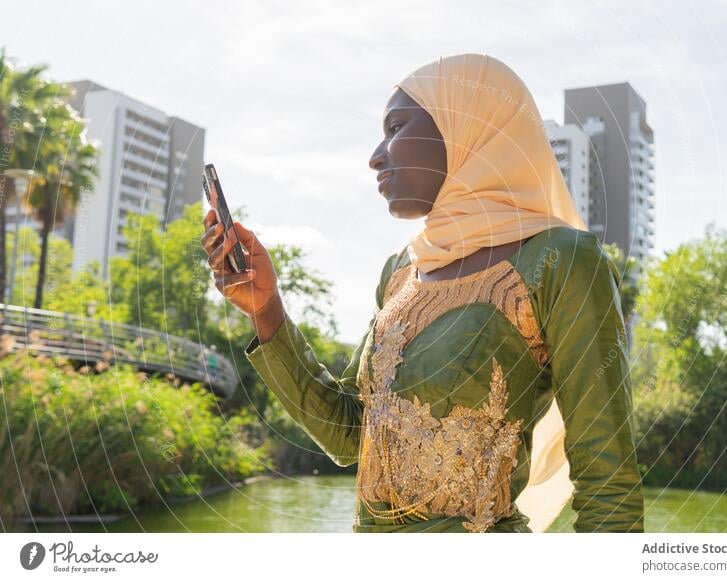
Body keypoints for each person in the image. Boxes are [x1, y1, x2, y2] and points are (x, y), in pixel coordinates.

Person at [201, 53, 645, 533]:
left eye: (396, 127)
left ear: (464, 129)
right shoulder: (400, 272)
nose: (376, 155)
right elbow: (350, 434)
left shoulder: (560, 261)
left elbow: (609, 489)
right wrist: (267, 308)